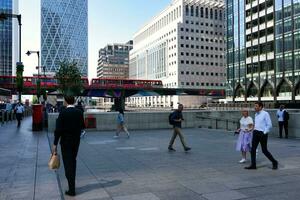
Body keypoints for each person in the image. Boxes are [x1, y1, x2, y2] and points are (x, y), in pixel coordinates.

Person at [52, 96, 85, 196]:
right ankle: (72, 186)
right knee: (73, 162)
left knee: (67, 164)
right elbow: (82, 127)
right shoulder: (79, 112)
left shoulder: (63, 112)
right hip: (76, 142)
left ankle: (72, 189)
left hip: (65, 142)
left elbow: (58, 130)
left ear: (66, 101)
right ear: (74, 101)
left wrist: (55, 143)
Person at [245, 102, 278, 170]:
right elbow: (257, 125)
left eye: (256, 106)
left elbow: (269, 125)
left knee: (264, 150)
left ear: (260, 107)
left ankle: (274, 162)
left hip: (262, 134)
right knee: (253, 149)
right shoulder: (256, 114)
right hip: (255, 133)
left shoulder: (265, 114)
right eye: (255, 106)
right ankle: (253, 165)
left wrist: (264, 132)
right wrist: (251, 129)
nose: (255, 107)